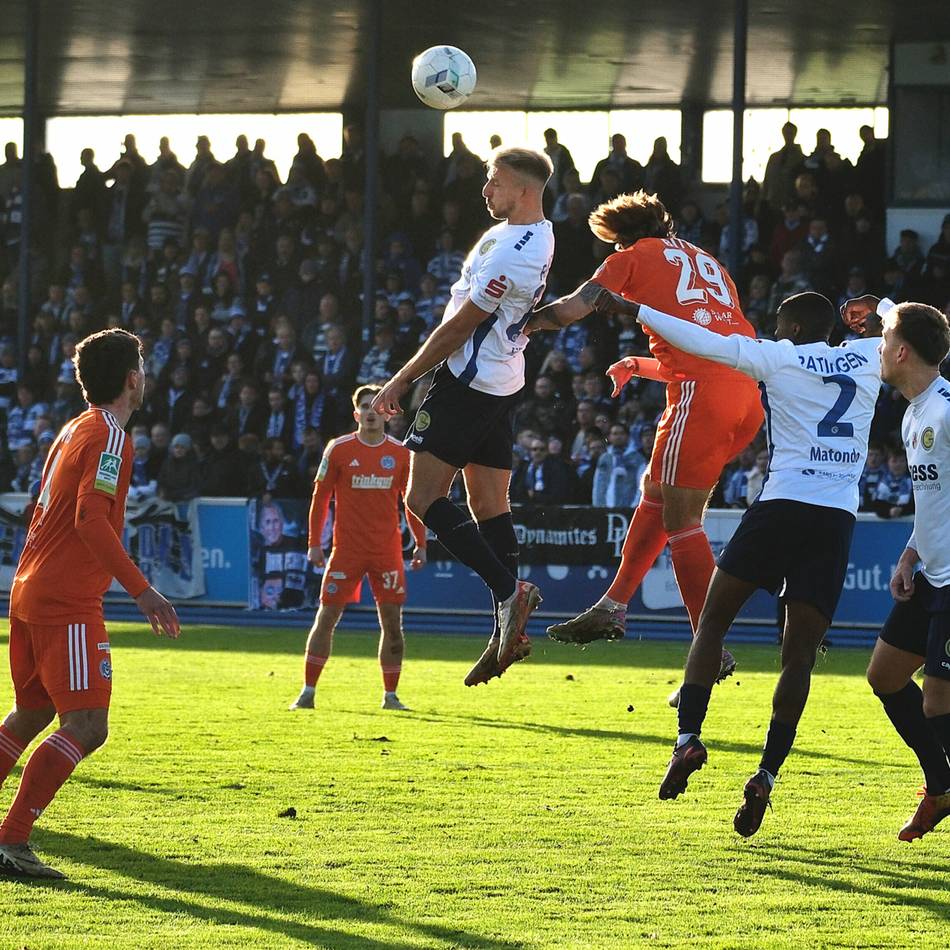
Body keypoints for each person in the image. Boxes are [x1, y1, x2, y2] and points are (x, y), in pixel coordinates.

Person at [636, 292, 883, 837]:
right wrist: (876, 304)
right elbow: (919, 324)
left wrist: (639, 310)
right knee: (798, 659)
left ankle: (688, 738)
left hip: (781, 506)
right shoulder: (870, 354)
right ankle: (767, 773)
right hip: (835, 519)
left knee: (713, 623)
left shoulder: (780, 356)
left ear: (793, 327)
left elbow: (702, 342)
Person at [373, 148, 605, 687]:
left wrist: (401, 379)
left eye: (494, 182)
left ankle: (509, 593)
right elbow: (516, 315)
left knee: (422, 498)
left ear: (523, 190)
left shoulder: (511, 255)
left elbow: (457, 329)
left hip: (466, 383)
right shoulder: (538, 235)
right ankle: (507, 631)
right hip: (502, 379)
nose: (485, 190)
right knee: (488, 503)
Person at [533, 192, 762, 687]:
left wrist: (517, 325)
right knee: (656, 497)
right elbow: (707, 350)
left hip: (700, 398)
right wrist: (638, 364)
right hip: (744, 395)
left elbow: (576, 307)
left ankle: (709, 645)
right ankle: (613, 604)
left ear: (623, 236)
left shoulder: (631, 258)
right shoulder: (710, 263)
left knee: (683, 521)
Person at [0, 329, 180, 879]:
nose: (144, 376)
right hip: (66, 601)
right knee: (86, 724)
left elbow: (45, 509)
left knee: (31, 714)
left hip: (31, 588)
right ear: (132, 378)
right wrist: (143, 590)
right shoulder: (109, 437)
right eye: (142, 367)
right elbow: (89, 519)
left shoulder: (75, 428)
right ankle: (11, 841)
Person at [863, 299, 950, 841]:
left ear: (901, 351)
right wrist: (910, 554)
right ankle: (941, 788)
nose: (877, 346)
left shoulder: (945, 411)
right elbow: (935, 500)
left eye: (883, 336)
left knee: (938, 699)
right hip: (930, 574)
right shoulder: (913, 410)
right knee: (885, 676)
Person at [290, 385, 426, 712]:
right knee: (326, 618)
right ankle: (307, 692)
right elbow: (320, 499)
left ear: (387, 413)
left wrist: (420, 543)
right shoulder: (337, 450)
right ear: (356, 414)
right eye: (365, 406)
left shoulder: (401, 454)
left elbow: (411, 503)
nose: (370, 412)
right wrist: (314, 544)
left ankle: (390, 696)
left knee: (393, 625)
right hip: (346, 551)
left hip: (386, 552)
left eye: (377, 407)